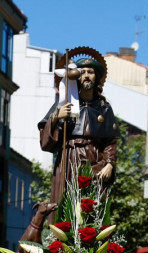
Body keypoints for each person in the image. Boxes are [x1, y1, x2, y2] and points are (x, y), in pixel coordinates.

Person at [39, 54, 119, 206]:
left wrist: (110, 163)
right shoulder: (65, 103)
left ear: (97, 77)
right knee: (67, 202)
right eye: (82, 72)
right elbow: (45, 141)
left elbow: (110, 141)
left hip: (95, 159)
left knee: (93, 205)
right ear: (76, 77)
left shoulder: (104, 108)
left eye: (90, 72)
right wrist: (56, 117)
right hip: (70, 158)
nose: (86, 76)